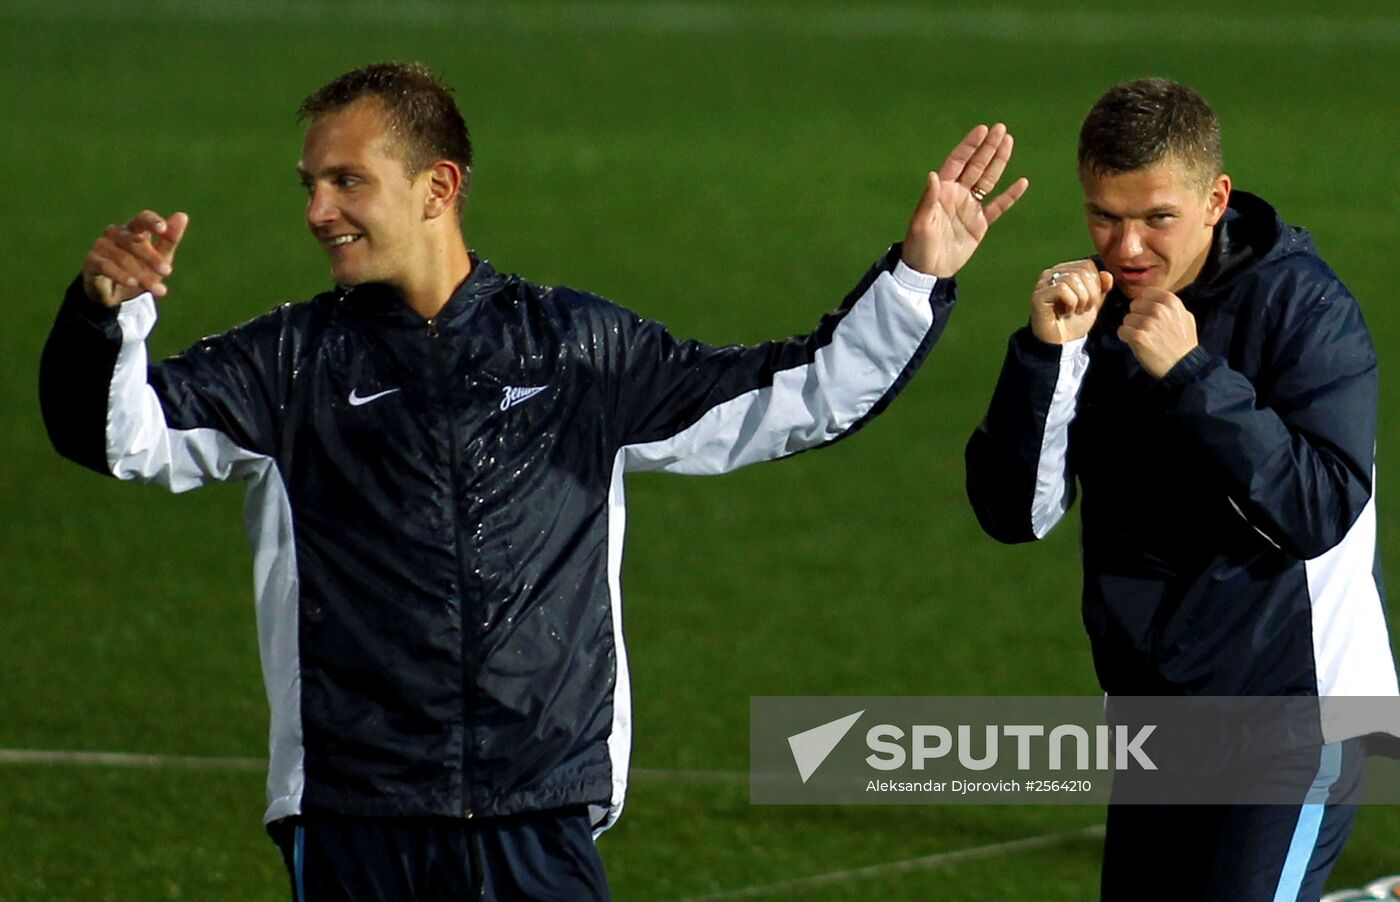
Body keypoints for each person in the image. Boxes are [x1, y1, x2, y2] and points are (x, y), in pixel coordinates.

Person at [42, 62, 1027, 900]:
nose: (316, 210)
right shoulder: (285, 366)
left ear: (438, 187)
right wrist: (104, 314)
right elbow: (120, 436)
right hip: (356, 812)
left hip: (539, 809)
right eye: (308, 183)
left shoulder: (577, 352)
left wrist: (913, 273)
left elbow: (800, 395)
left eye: (346, 181)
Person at [965, 77, 1399, 901]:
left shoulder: (1304, 308)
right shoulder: (1088, 315)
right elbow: (1014, 515)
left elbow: (1320, 508)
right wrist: (1043, 357)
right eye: (1105, 216)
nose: (1126, 248)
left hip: (1298, 713)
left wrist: (1194, 375)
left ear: (1215, 199)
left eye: (1157, 218)